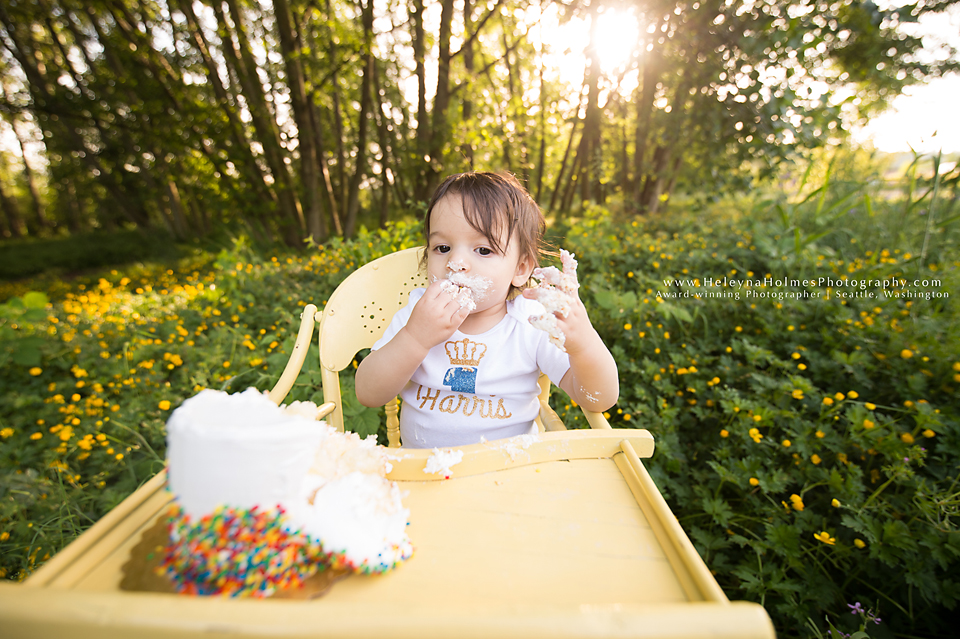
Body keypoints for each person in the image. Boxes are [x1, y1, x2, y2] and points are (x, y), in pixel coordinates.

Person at [355, 172, 618, 448]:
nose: (456, 262)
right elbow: (369, 394)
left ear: (520, 269)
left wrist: (583, 345)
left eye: (482, 250)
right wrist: (414, 338)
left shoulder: (531, 322)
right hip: (423, 473)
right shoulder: (417, 314)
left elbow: (599, 398)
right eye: (442, 247)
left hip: (507, 473)